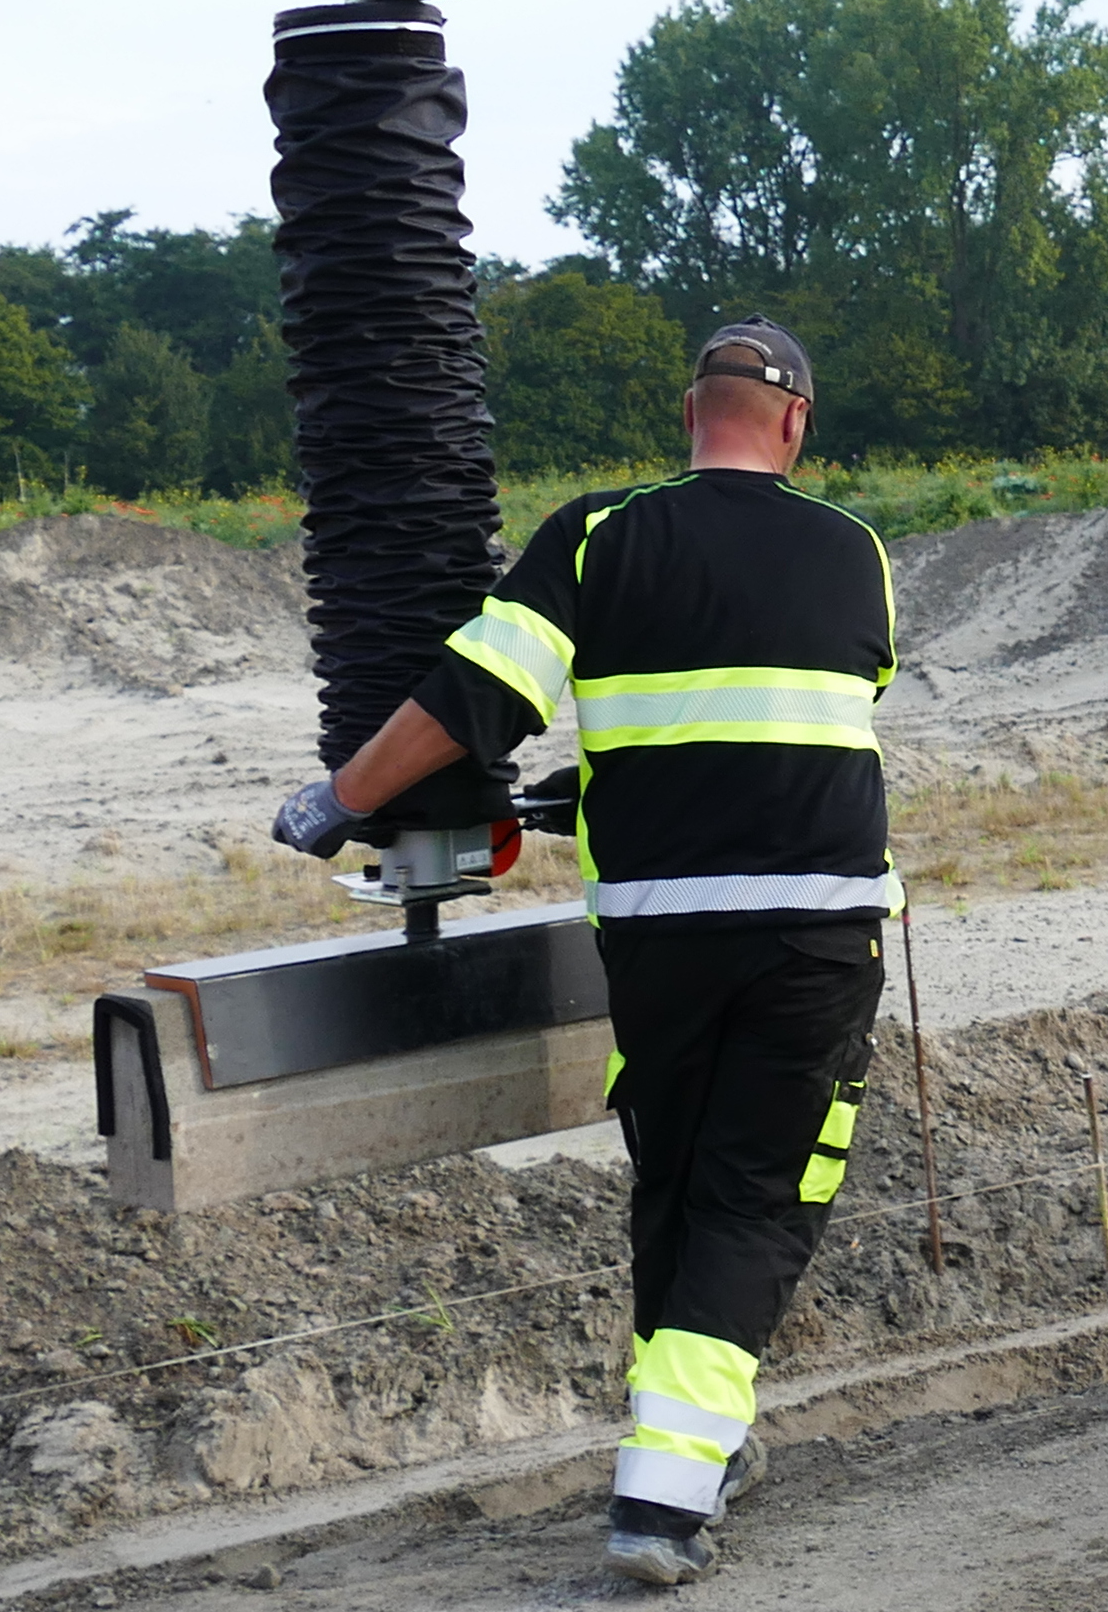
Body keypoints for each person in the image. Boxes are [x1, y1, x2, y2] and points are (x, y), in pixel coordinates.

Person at [273, 316, 901, 1586]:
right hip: (817, 931)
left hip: (663, 939)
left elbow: (479, 696)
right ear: (793, 424)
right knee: (755, 1200)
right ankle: (662, 1502)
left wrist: (343, 796)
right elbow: (794, 722)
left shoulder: (602, 532)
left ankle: (700, 1450)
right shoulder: (857, 552)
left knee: (675, 1183)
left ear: (689, 414)